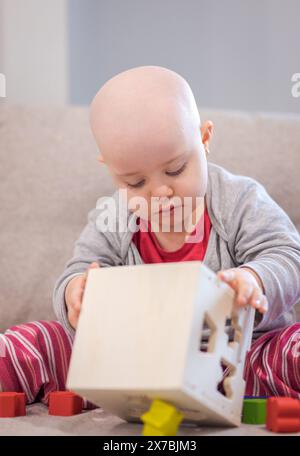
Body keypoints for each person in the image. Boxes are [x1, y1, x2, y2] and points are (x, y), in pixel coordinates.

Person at [1, 66, 300, 403]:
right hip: (131, 361)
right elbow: (76, 270)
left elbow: (288, 255)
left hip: (238, 361)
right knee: (37, 342)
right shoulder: (113, 216)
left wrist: (254, 278)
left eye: (175, 170)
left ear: (204, 139)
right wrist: (76, 293)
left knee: (291, 350)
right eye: (135, 183)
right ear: (111, 170)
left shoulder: (240, 201)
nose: (159, 192)